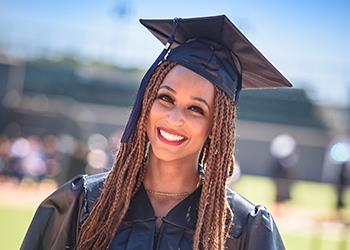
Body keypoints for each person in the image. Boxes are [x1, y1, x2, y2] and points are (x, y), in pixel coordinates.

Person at [21, 15, 291, 250]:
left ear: (216, 127)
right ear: (146, 101)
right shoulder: (84, 204)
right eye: (165, 98)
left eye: (196, 109)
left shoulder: (243, 229)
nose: (174, 119)